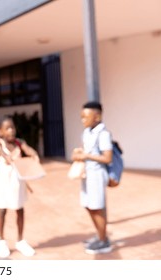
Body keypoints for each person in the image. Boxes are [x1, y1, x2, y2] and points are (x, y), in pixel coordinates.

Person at [0, 116, 39, 257]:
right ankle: (0, 240)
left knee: (20, 209)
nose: (11, 130)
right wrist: (9, 157)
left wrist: (34, 155)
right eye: (7, 128)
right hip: (3, 183)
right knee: (2, 211)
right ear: (0, 132)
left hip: (17, 182)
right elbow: (4, 155)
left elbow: (29, 150)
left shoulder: (20, 143)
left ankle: (20, 240)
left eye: (13, 127)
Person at [71, 101, 113, 254]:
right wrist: (78, 154)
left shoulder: (104, 134)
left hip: (96, 175)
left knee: (97, 207)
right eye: (81, 117)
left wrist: (86, 155)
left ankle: (103, 241)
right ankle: (99, 235)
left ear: (97, 117)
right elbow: (85, 150)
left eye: (85, 117)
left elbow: (108, 158)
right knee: (88, 205)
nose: (82, 120)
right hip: (86, 174)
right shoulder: (87, 132)